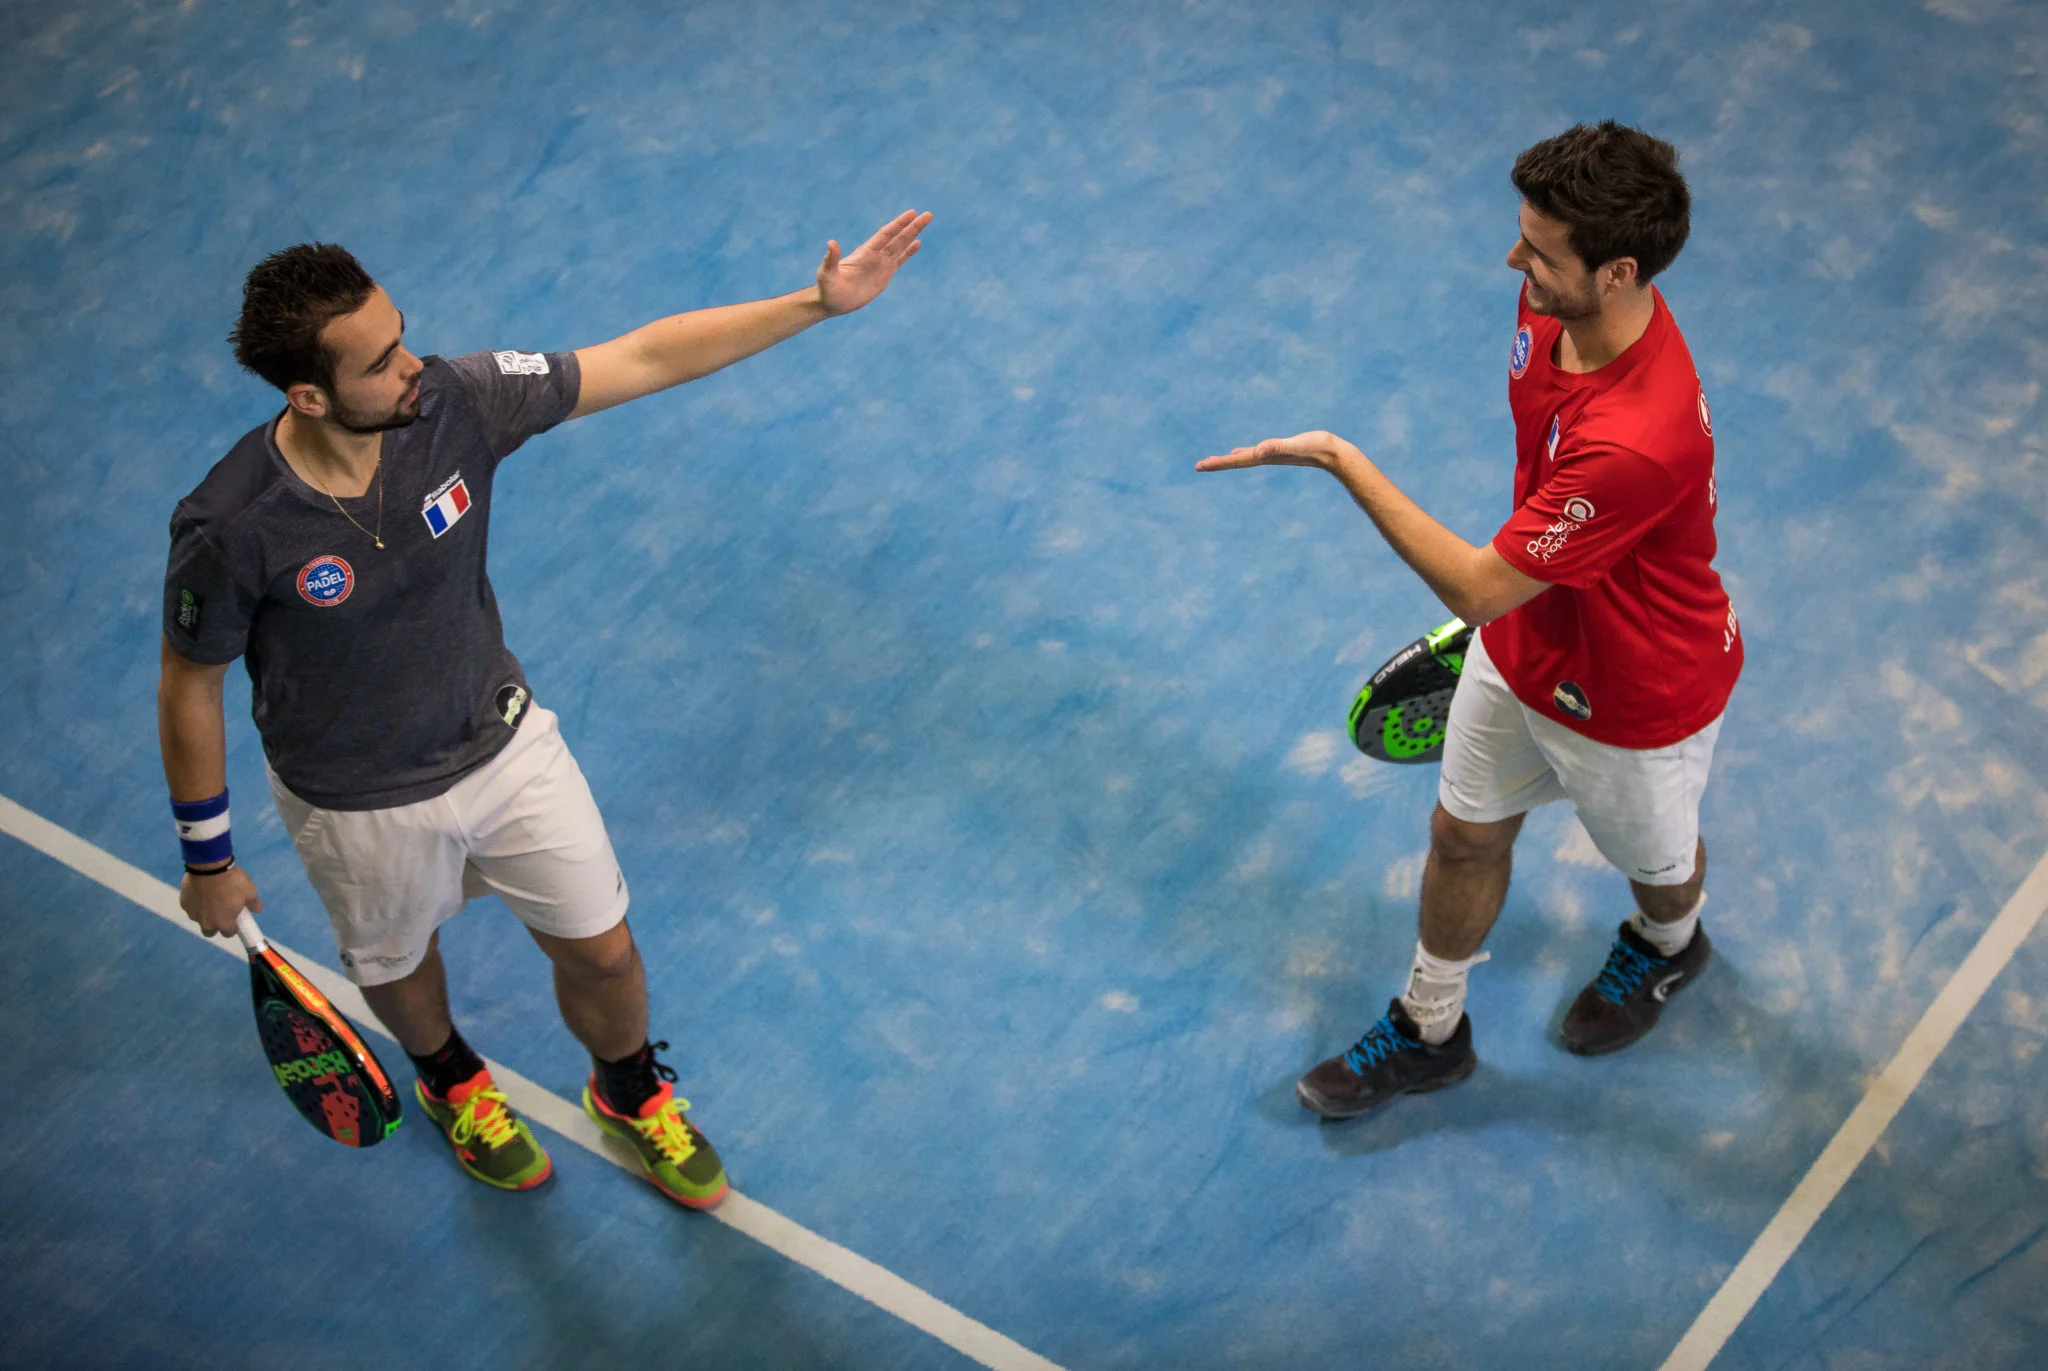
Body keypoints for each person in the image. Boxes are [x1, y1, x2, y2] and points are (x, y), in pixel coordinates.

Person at [159, 210, 932, 1197]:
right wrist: (207, 858)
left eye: (402, 334)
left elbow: (641, 357)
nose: (412, 366)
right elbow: (190, 681)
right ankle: (449, 1080)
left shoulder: (455, 403)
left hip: (502, 744)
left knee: (605, 953)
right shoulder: (233, 526)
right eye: (380, 361)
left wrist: (814, 304)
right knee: (399, 967)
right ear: (308, 395)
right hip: (354, 798)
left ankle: (626, 1089)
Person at [1198, 122, 1740, 1118]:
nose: (1512, 261)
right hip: (1528, 636)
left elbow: (1476, 589)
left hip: (1633, 695)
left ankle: (1670, 943)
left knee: (1655, 873)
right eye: (1520, 235)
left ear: (1616, 271)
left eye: (1537, 250)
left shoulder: (1636, 439)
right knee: (1459, 835)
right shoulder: (1551, 308)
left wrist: (1338, 459)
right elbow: (1506, 594)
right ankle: (1428, 1029)